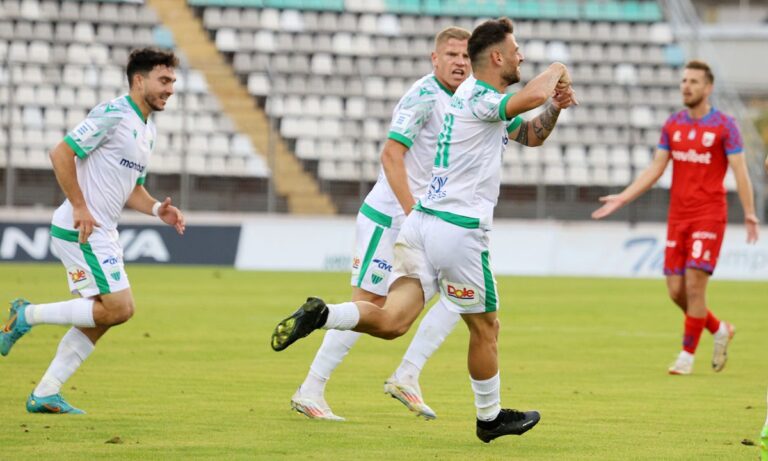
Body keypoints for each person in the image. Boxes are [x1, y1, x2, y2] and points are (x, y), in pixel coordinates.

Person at [272, 18, 576, 443]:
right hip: (448, 227)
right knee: (485, 327)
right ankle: (489, 417)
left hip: (422, 225)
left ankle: (326, 315)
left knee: (393, 319)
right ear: (496, 57)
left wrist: (556, 108)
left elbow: (530, 133)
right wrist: (559, 69)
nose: (522, 56)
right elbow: (533, 95)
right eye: (516, 50)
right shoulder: (473, 98)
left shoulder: (470, 96)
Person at [290, 26, 472, 421]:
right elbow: (391, 154)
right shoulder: (424, 96)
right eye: (452, 55)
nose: (460, 62)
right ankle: (310, 389)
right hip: (390, 218)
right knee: (368, 304)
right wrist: (412, 213)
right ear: (435, 58)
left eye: (466, 56)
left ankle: (407, 375)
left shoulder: (464, 100)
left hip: (424, 222)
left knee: (464, 291)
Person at [0, 48, 186, 413]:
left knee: (105, 315)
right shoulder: (113, 113)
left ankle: (46, 392)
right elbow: (60, 153)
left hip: (104, 231)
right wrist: (80, 206)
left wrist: (156, 209)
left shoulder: (147, 130)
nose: (170, 89)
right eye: (164, 80)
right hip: (81, 228)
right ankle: (27, 315)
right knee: (119, 308)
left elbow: (132, 189)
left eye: (173, 82)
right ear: (139, 80)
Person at [592, 59, 759, 375]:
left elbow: (740, 170)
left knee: (695, 285)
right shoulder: (673, 124)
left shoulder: (725, 125)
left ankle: (686, 355)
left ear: (708, 88)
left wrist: (750, 213)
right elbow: (656, 168)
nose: (686, 86)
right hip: (678, 217)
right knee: (675, 291)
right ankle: (719, 329)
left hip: (709, 215)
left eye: (694, 81)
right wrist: (624, 196)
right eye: (684, 81)